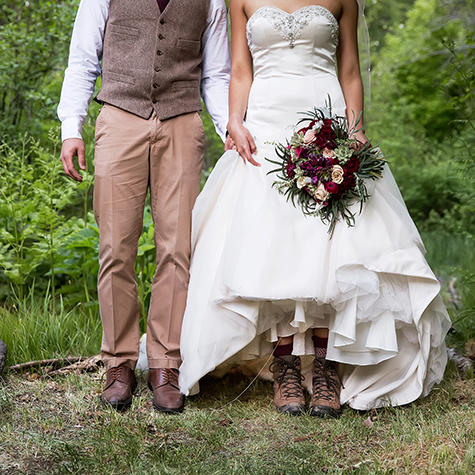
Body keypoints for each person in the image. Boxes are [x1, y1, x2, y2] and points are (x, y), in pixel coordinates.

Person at [178, 0, 451, 417]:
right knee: (275, 243)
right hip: (266, 128)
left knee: (328, 242)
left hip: (326, 123)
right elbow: (239, 69)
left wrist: (354, 131)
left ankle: (324, 368)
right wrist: (235, 118)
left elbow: (350, 71)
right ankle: (285, 365)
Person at [57, 0, 231, 413]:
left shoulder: (212, 2)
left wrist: (228, 131)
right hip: (119, 118)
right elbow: (82, 59)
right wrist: (70, 128)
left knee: (178, 250)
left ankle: (165, 364)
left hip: (182, 122)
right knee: (116, 248)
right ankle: (118, 363)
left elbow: (217, 74)